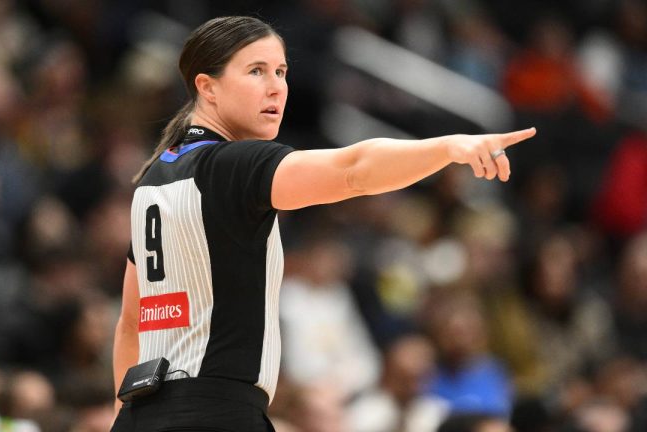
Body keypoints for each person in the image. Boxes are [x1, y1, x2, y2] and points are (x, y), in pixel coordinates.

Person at [111, 15, 536, 432]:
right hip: (217, 413)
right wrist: (449, 148)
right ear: (207, 87)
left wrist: (123, 415)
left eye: (281, 71)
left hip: (141, 414)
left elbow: (132, 323)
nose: (276, 86)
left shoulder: (153, 178)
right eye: (256, 71)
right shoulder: (232, 165)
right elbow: (354, 170)